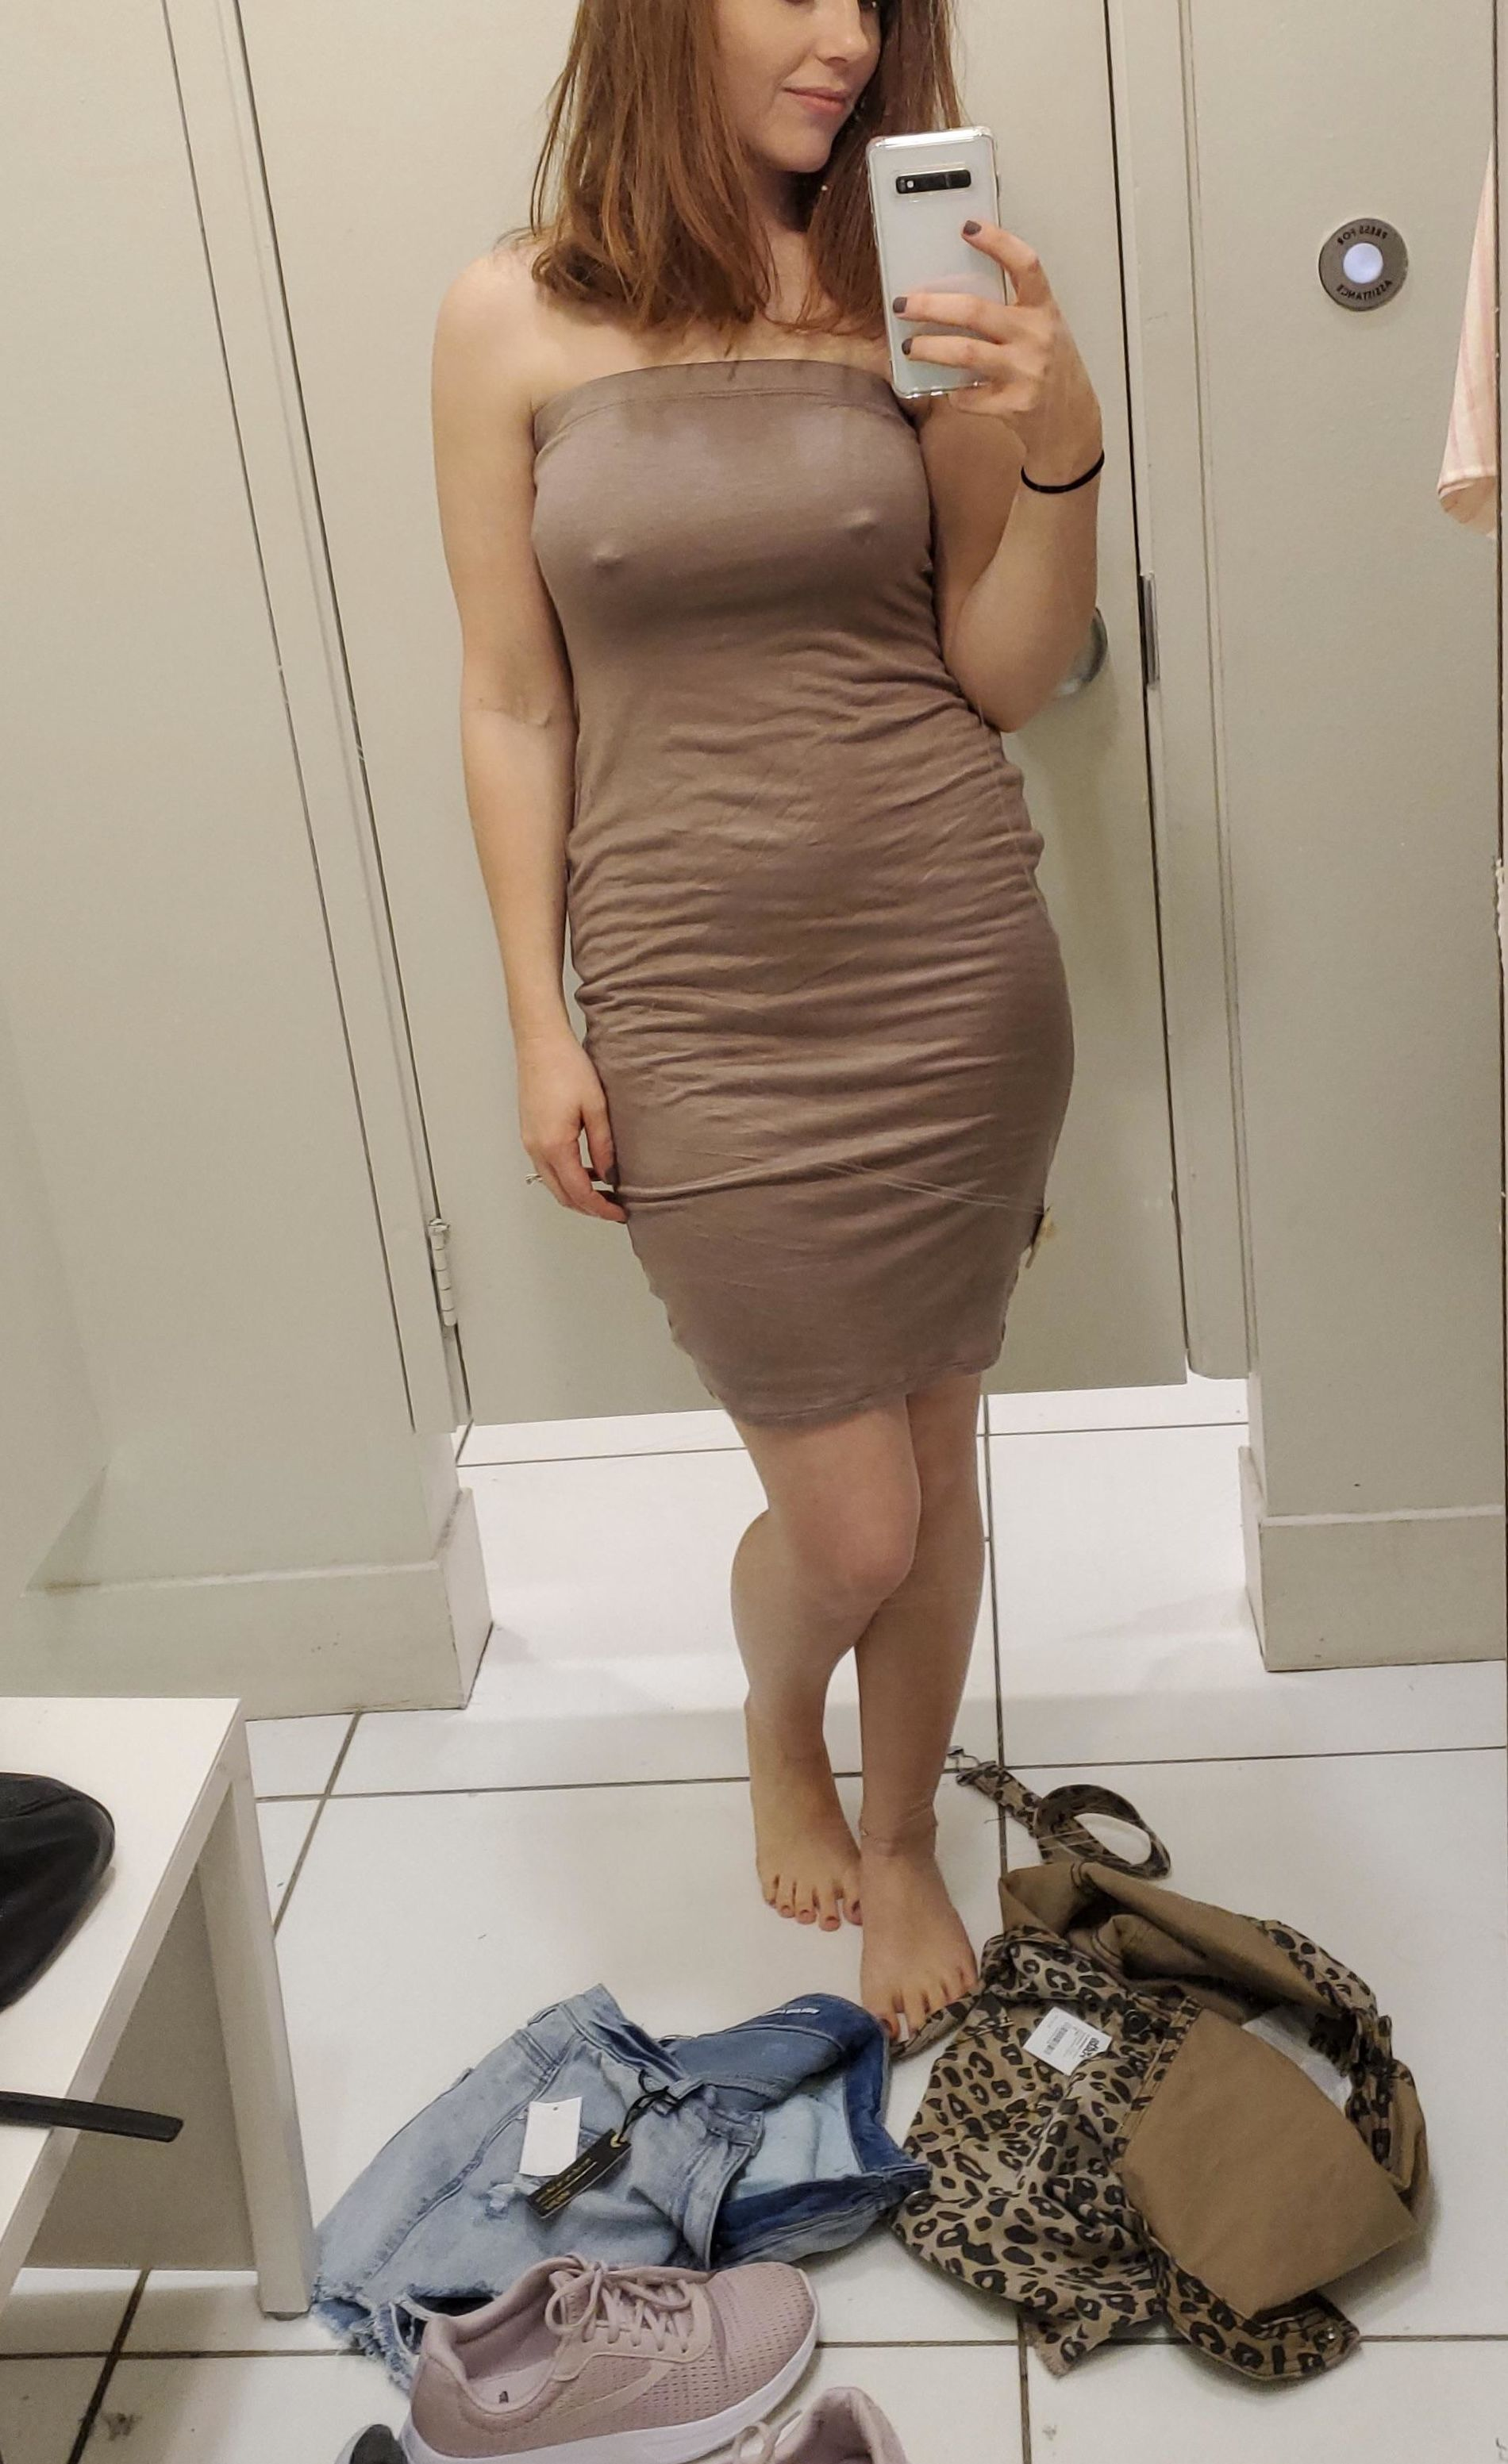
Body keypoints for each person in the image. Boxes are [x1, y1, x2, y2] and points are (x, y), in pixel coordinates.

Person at [430, 0, 1102, 2042]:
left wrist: (1061, 446)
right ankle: (773, 1715)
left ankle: (898, 1839)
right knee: (851, 1519)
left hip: (947, 963)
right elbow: (510, 698)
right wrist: (539, 1022)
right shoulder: (508, 319)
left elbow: (1000, 669)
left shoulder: (909, 287)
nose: (844, 37)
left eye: (874, 2)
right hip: (692, 1003)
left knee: (938, 1464)